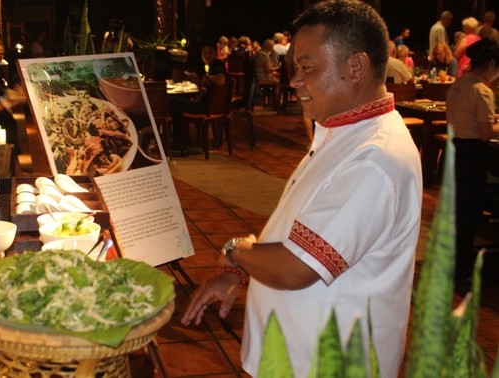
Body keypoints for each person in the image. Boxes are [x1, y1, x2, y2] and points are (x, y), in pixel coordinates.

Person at [181, 1, 422, 377]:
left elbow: (297, 267)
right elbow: (300, 231)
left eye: (307, 68)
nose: (294, 80)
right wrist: (242, 272)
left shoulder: (374, 158)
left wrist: (237, 252)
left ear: (356, 67)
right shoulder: (343, 133)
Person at [446, 37, 499, 281]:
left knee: (456, 211)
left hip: (455, 150)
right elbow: (486, 133)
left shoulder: (457, 86)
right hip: (473, 155)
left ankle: (452, 266)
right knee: (470, 214)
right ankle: (464, 270)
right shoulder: (482, 91)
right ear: (490, 64)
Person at [168, 43, 227, 156]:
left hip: (207, 107)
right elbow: (205, 93)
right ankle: (182, 141)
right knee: (177, 100)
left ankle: (178, 143)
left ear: (216, 53)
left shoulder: (217, 65)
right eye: (204, 52)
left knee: (173, 102)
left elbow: (221, 80)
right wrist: (198, 83)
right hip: (207, 104)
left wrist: (207, 78)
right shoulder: (211, 67)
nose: (207, 55)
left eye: (210, 52)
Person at [0, 29, 26, 149]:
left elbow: (1, 95)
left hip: (7, 130)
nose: (0, 48)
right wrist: (18, 100)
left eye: (1, 43)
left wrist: (15, 92)